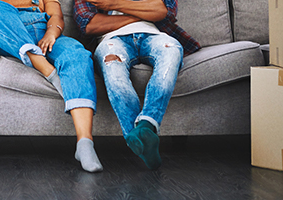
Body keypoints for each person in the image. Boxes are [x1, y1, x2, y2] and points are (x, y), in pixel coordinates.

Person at [0, 0, 104, 172]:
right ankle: (46, 69)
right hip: (11, 35)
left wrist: (51, 34)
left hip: (44, 34)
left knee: (77, 55)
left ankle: (85, 143)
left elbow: (56, 16)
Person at [74, 0, 200, 169]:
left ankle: (146, 125)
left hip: (155, 36)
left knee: (172, 53)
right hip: (112, 40)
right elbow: (89, 24)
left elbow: (163, 11)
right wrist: (140, 15)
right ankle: (145, 140)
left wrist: (111, 4)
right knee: (115, 75)